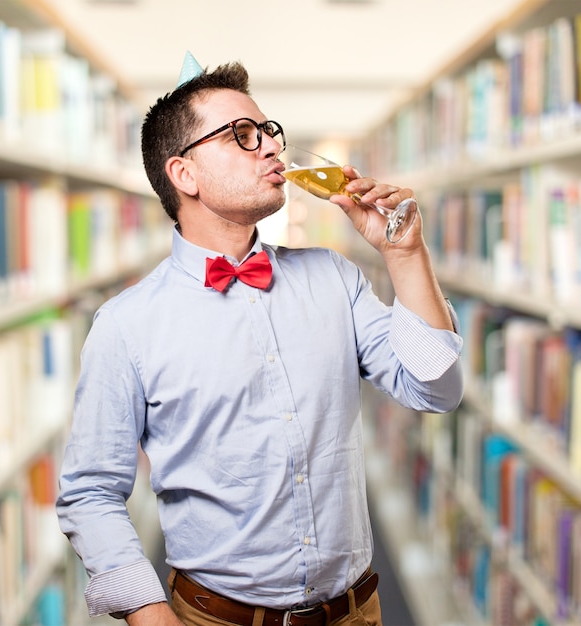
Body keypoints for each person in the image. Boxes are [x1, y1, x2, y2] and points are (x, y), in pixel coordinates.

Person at [56, 54, 463, 626]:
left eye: (270, 132)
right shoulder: (126, 326)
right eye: (243, 135)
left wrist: (403, 254)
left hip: (356, 613)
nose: (273, 147)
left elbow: (435, 390)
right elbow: (91, 491)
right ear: (184, 174)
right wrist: (150, 616)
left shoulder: (335, 278)